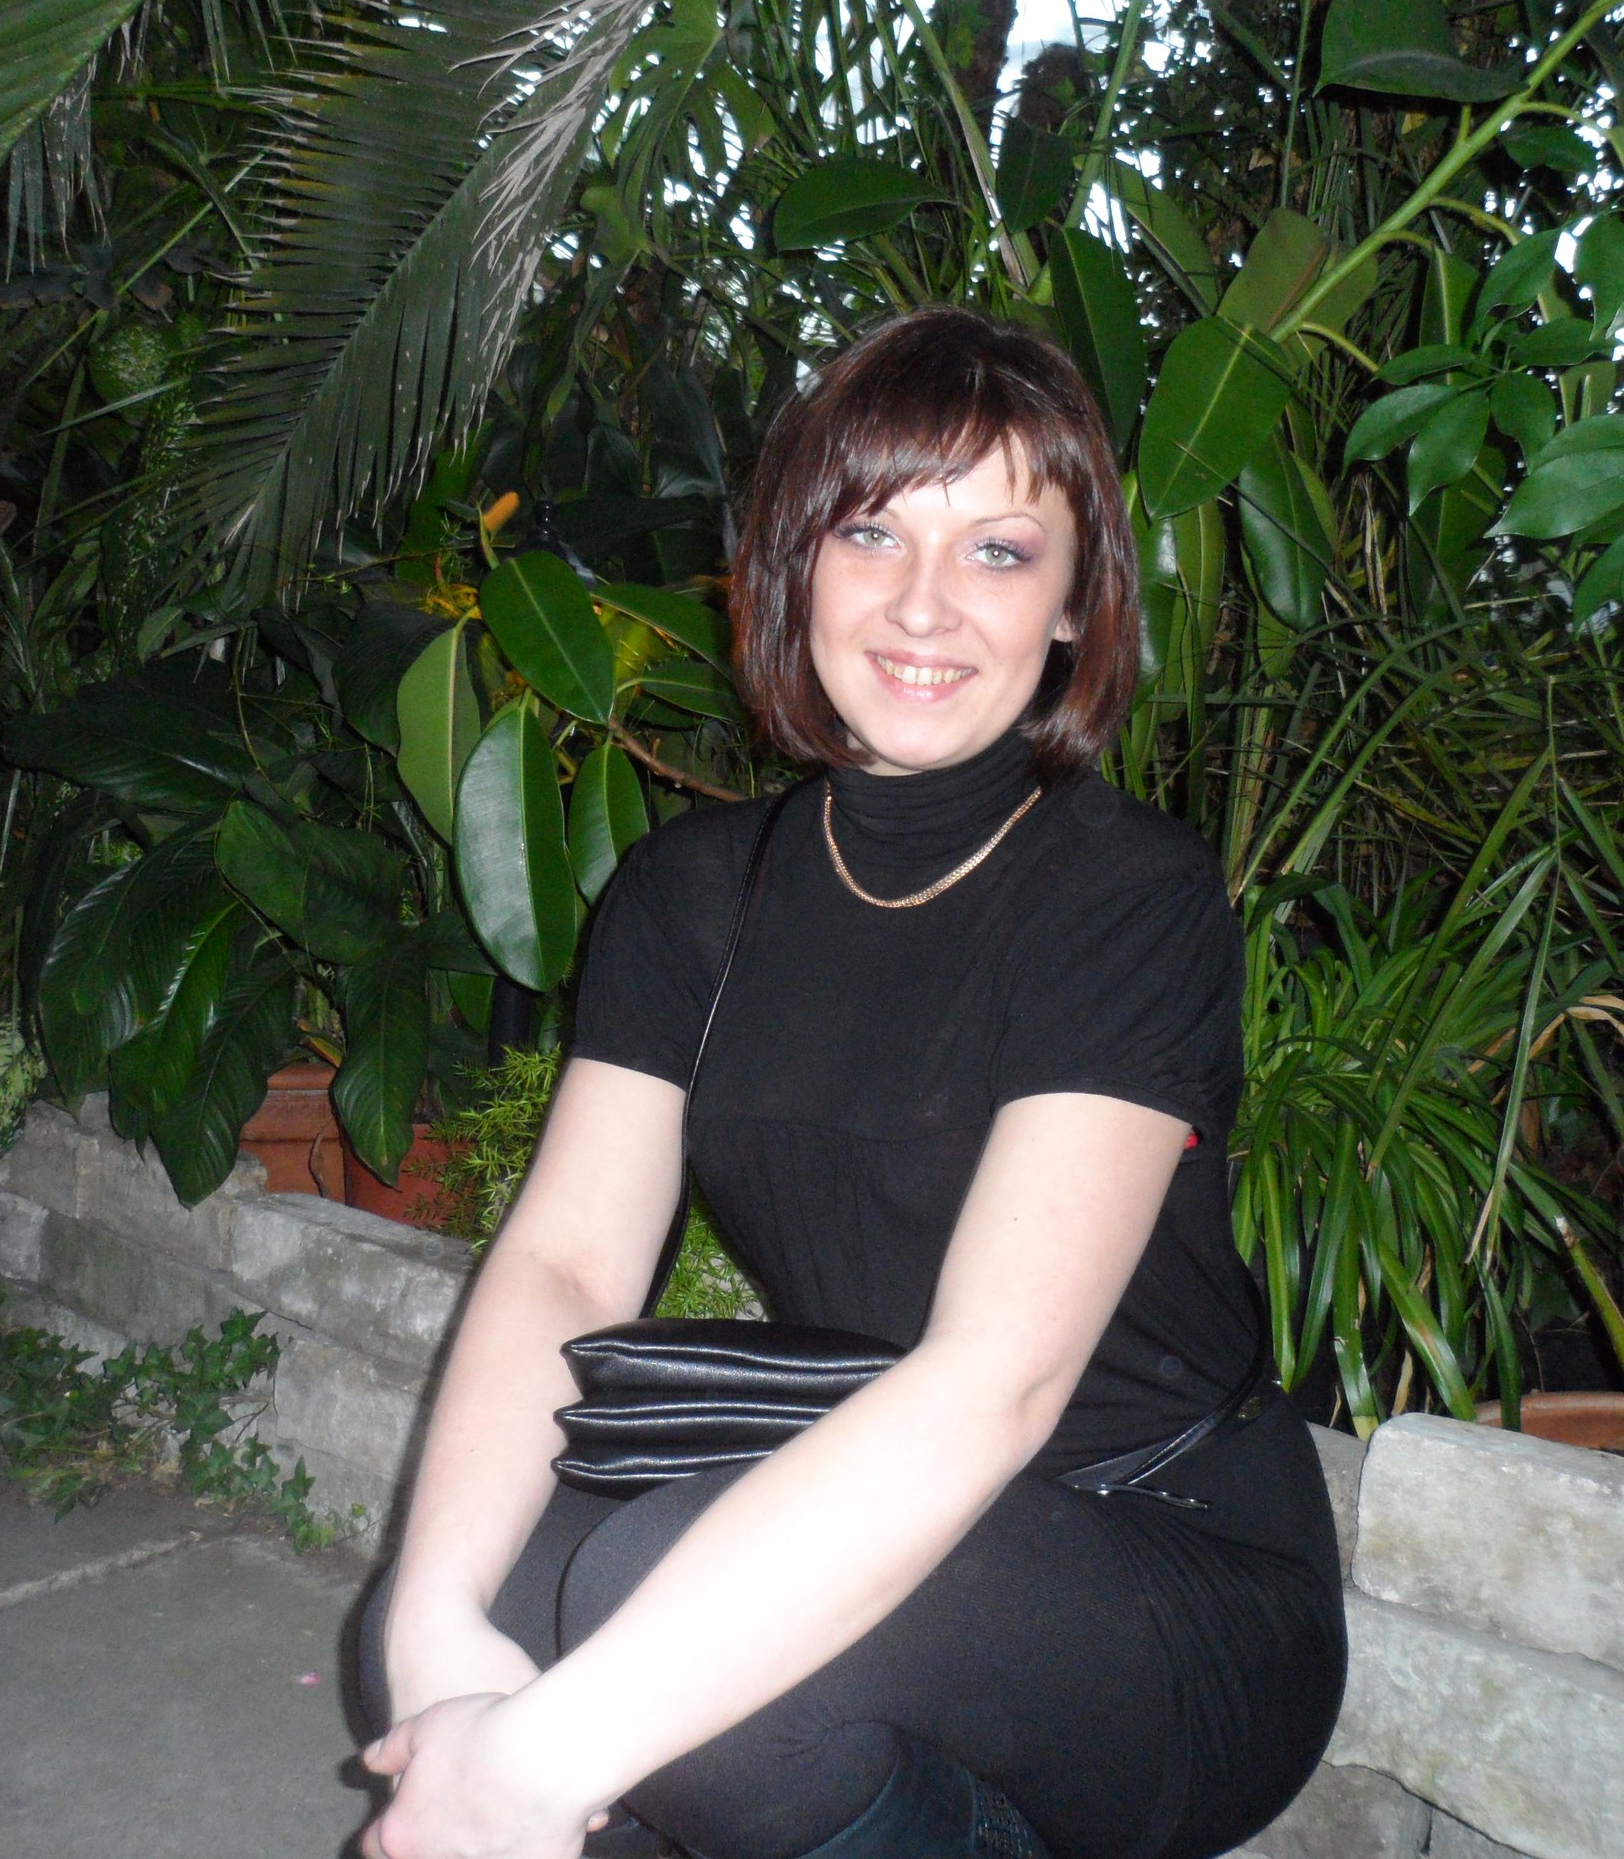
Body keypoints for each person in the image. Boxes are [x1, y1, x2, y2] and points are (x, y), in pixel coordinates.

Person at [354, 307, 1345, 1859]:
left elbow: (997, 1380)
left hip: (1159, 1552)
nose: (924, 604)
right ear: (793, 565)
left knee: (647, 1641)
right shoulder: (693, 895)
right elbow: (565, 1262)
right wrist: (427, 1624)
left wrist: (537, 1756)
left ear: (1074, 605)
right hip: (877, 1462)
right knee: (518, 1588)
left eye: (1000, 552)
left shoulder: (1125, 897)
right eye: (872, 532)